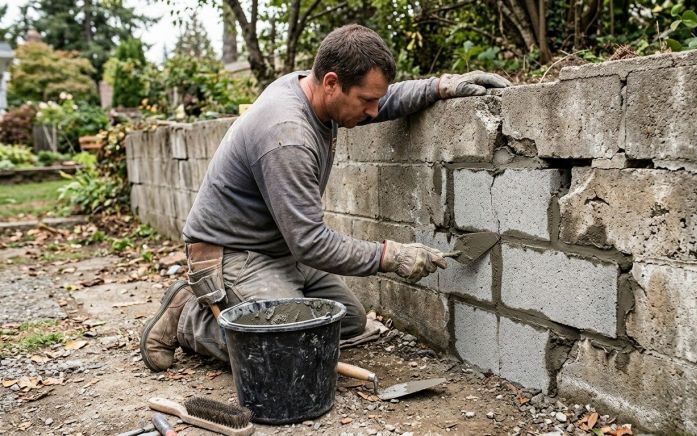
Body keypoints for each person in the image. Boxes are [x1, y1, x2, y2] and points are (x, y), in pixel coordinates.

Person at [139, 24, 510, 371]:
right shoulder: (287, 135)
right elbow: (311, 243)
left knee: (348, 320)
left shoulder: (315, 90)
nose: (373, 112)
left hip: (277, 248)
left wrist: (440, 86)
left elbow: (382, 99)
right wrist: (392, 256)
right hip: (232, 254)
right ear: (332, 83)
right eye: (366, 101)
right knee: (292, 352)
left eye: (373, 100)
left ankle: (265, 304)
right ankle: (188, 316)